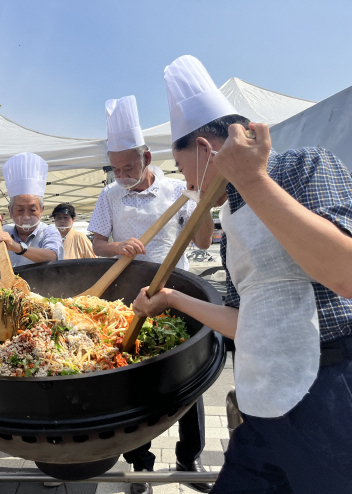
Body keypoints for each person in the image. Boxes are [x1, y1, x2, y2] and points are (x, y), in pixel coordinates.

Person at [133, 55, 352, 494]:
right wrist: (172, 299)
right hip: (263, 399)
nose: (188, 186)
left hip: (332, 389)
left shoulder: (301, 166)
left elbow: (345, 273)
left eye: (183, 172)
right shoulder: (231, 217)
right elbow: (244, 317)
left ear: (203, 149)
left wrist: (252, 179)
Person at [88, 95, 214, 494]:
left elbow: (204, 241)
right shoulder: (110, 195)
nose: (122, 173)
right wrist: (118, 245)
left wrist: (202, 202)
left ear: (145, 157)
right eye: (117, 167)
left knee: (189, 374)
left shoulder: (178, 189)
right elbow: (96, 244)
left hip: (179, 287)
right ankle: (139, 464)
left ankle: (188, 456)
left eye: (129, 165)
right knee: (134, 374)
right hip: (130, 294)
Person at [0, 152, 63, 270]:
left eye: (32, 210)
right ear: (10, 211)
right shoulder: (1, 233)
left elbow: (52, 256)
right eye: (20, 210)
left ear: (42, 210)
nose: (26, 216)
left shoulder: (49, 232)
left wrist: (16, 247)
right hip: (5, 288)